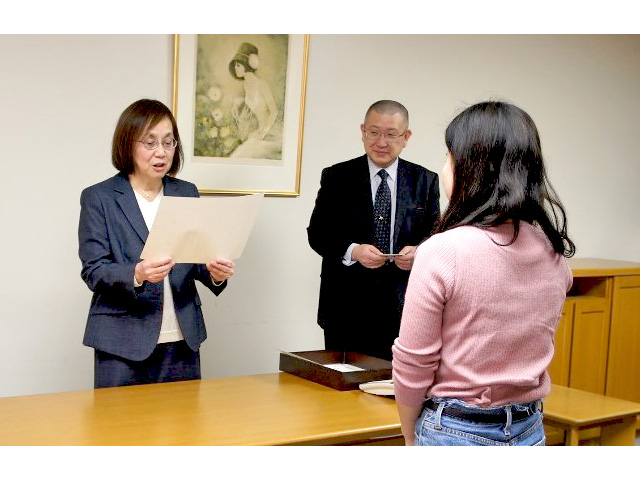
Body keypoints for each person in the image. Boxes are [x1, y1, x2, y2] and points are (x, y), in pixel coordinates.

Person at [392, 101, 575, 446]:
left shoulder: (443, 250)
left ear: (469, 167)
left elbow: (414, 363)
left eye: (448, 156)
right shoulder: (551, 250)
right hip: (529, 428)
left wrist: (408, 437)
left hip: (456, 431)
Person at [78, 99, 236, 388]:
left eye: (168, 142)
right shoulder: (99, 197)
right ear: (128, 144)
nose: (161, 152)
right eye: (149, 143)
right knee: (121, 431)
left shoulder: (186, 192)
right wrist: (136, 274)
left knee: (184, 429)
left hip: (182, 338)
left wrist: (214, 273)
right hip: (121, 342)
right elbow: (94, 270)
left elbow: (197, 260)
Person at [307, 100, 440, 360]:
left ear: (406, 137)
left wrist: (419, 253)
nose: (381, 142)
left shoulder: (425, 180)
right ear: (363, 131)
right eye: (374, 132)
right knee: (341, 391)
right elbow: (318, 233)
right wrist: (354, 251)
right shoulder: (337, 177)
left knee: (394, 391)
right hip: (345, 307)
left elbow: (436, 237)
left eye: (391, 135)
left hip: (404, 308)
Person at [228, 42, 281, 159]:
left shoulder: (261, 84)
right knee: (238, 155)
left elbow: (274, 111)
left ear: (246, 65)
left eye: (238, 65)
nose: (236, 68)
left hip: (271, 133)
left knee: (242, 155)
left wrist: (265, 131)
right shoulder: (246, 85)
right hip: (259, 133)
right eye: (235, 65)